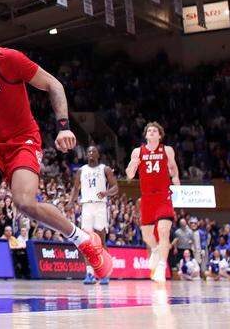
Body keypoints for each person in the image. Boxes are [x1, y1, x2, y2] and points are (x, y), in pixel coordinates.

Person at [0, 11, 111, 299]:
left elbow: (54, 84)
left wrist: (64, 126)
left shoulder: (6, 58)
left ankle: (84, 241)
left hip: (22, 142)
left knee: (24, 201)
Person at [125, 122, 180, 283]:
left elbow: (174, 170)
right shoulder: (138, 151)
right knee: (147, 235)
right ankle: (155, 250)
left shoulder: (167, 150)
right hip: (147, 197)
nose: (151, 132)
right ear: (146, 135)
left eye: (155, 130)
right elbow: (129, 175)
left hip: (163, 195)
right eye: (149, 130)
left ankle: (162, 266)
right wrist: (132, 166)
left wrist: (177, 184)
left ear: (160, 135)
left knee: (163, 231)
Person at [68, 145, 118, 285]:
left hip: (100, 205)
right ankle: (89, 274)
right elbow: (75, 188)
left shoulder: (105, 169)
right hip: (86, 206)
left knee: (101, 241)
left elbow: (115, 187)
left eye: (93, 151)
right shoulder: (81, 171)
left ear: (98, 155)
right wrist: (71, 202)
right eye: (88, 151)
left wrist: (106, 193)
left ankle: (105, 273)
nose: (90, 153)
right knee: (86, 242)